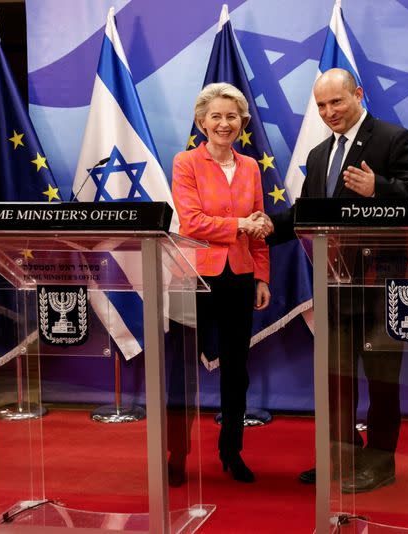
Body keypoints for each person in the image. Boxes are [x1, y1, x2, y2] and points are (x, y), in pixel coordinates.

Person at [268, 68, 408, 493]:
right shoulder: (321, 154)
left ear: (358, 94)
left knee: (381, 378)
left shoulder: (394, 138)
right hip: (337, 286)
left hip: (382, 285)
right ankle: (341, 455)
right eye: (321, 106)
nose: (328, 112)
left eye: (336, 102)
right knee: (336, 379)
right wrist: (268, 226)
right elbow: (308, 213)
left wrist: (379, 187)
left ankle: (380, 461)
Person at [172, 82, 271, 483]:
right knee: (181, 372)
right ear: (201, 122)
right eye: (216, 116)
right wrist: (241, 224)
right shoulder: (185, 162)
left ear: (242, 123)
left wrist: (261, 275)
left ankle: (232, 451)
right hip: (194, 278)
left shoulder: (250, 167)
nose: (224, 123)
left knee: (237, 371)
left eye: (232, 116)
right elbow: (191, 221)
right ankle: (176, 457)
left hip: (240, 280)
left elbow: (261, 226)